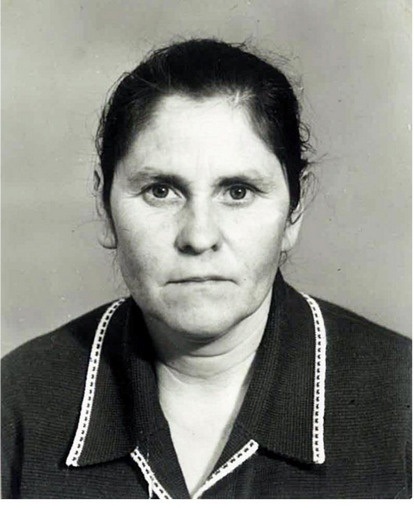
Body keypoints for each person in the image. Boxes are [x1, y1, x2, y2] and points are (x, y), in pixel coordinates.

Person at [2, 38, 411, 499]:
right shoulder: (16, 403)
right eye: (160, 191)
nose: (198, 237)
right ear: (104, 207)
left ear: (294, 211)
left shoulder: (402, 402)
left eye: (238, 192)